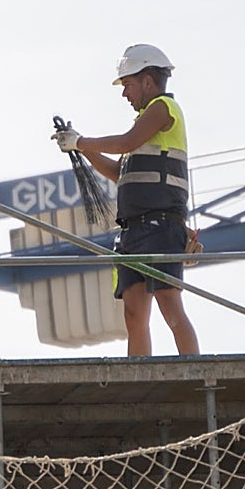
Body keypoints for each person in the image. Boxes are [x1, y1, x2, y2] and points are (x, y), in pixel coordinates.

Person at [53, 44, 200, 357]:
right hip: (133, 232)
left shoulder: (163, 109)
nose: (124, 94)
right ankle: (141, 377)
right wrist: (81, 147)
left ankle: (196, 373)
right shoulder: (146, 127)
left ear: (147, 81)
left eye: (128, 85)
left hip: (160, 227)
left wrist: (81, 141)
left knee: (170, 306)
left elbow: (124, 142)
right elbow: (118, 171)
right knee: (134, 315)